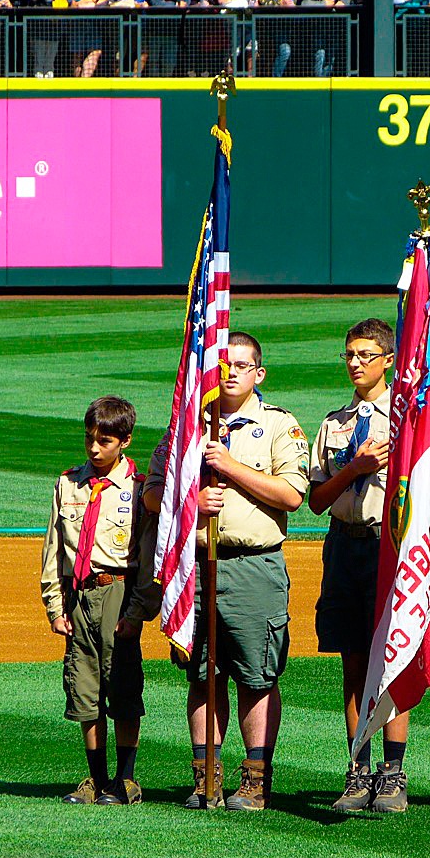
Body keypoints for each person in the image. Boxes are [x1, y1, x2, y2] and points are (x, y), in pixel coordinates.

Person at [144, 332, 310, 812]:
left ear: (259, 373)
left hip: (252, 566)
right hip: (194, 566)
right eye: (224, 365)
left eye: (242, 365)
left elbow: (292, 495)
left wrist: (230, 466)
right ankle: (205, 777)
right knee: (202, 673)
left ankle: (255, 779)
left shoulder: (279, 426)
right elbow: (154, 493)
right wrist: (190, 503)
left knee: (256, 675)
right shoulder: (187, 426)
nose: (231, 372)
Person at [307, 319, 413, 814]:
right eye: (349, 354)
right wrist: (356, 468)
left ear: (388, 360)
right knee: (353, 662)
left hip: (387, 548)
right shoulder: (334, 423)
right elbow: (317, 499)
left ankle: (393, 773)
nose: (354, 363)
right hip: (344, 546)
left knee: (389, 663)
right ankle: (358, 768)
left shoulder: (407, 418)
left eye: (365, 355)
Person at [40, 396, 147, 807]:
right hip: (78, 593)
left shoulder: (138, 490)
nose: (94, 448)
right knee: (83, 685)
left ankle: (125, 777)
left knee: (121, 682)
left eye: (104, 441)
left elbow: (150, 551)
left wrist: (137, 611)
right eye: (89, 439)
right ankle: (95, 777)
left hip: (118, 590)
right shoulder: (68, 483)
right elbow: (53, 550)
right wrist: (54, 605)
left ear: (125, 441)